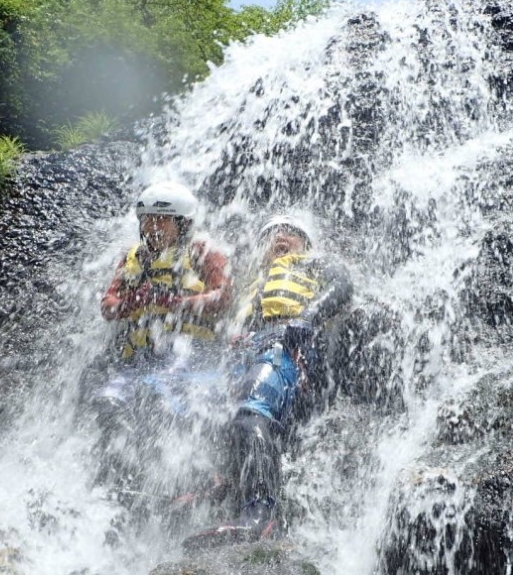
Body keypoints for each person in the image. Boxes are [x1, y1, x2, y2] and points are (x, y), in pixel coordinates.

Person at [184, 214, 353, 549]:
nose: (280, 236)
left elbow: (342, 285)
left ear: (305, 243)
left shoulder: (312, 265)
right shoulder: (255, 282)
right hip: (247, 353)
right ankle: (212, 487)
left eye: (289, 232)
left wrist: (308, 316)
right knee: (202, 412)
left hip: (285, 346)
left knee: (251, 413)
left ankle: (261, 514)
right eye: (273, 234)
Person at [100, 181, 232, 363]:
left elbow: (223, 297)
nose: (153, 227)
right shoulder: (133, 256)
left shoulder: (201, 250)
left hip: (192, 355)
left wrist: (172, 302)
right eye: (147, 219)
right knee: (107, 393)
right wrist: (131, 302)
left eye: (162, 219)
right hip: (137, 357)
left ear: (183, 224)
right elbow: (108, 305)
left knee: (164, 390)